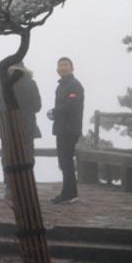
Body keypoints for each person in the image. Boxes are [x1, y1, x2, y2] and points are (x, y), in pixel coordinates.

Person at [0, 62, 42, 199]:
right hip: (27, 126)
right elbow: (37, 106)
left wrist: (4, 117)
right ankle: (27, 186)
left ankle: (9, 186)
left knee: (8, 155)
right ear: (24, 68)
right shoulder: (30, 82)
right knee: (27, 154)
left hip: (7, 125)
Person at [47, 56, 84, 204]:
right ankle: (70, 193)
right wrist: (54, 114)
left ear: (72, 68)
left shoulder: (74, 85)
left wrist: (54, 112)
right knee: (64, 162)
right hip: (62, 128)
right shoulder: (61, 86)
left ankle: (68, 194)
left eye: (65, 65)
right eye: (60, 65)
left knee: (66, 161)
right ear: (57, 70)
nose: (63, 68)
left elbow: (72, 105)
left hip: (69, 129)